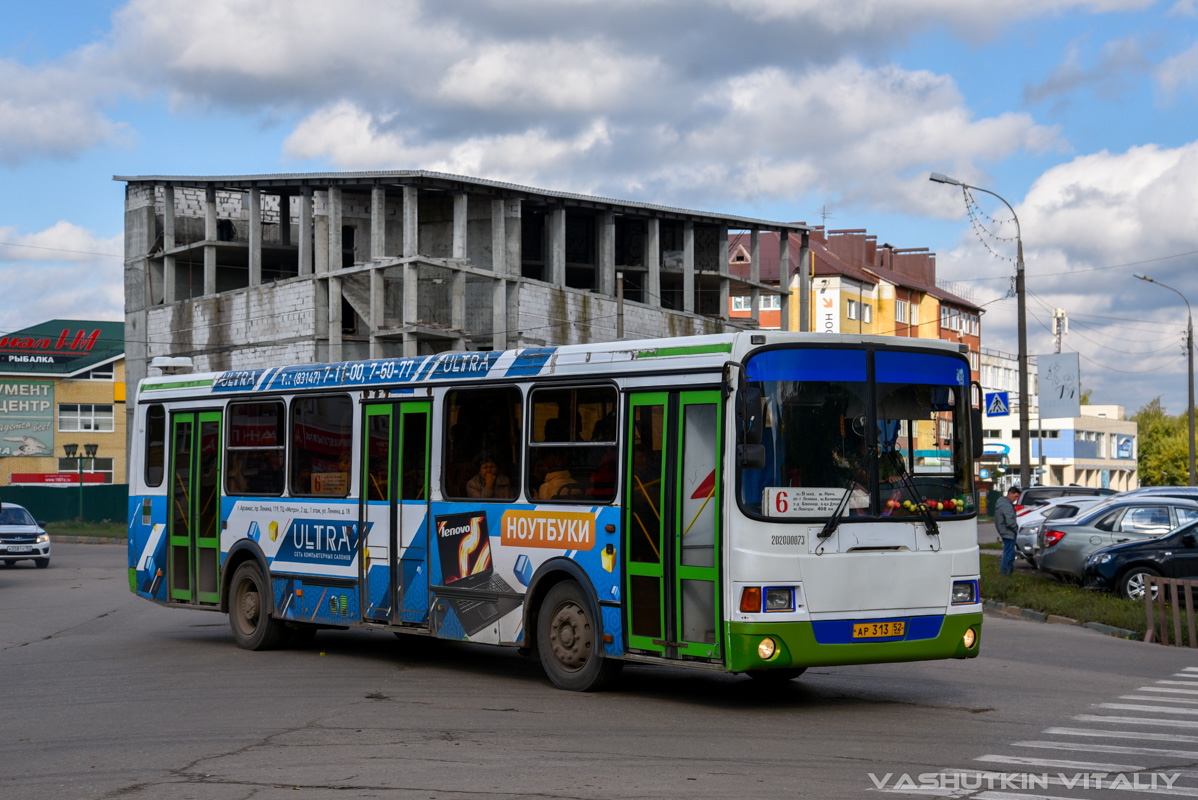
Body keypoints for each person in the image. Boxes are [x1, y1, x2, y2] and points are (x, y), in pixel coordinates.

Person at [994, 486, 1020, 575]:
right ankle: (1005, 573)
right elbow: (1010, 521)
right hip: (1008, 532)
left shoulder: (1002, 502)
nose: (1016, 499)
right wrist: (1017, 529)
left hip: (1004, 531)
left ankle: (1007, 573)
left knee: (1009, 552)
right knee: (1008, 554)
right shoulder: (1007, 505)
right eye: (1015, 496)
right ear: (1010, 494)